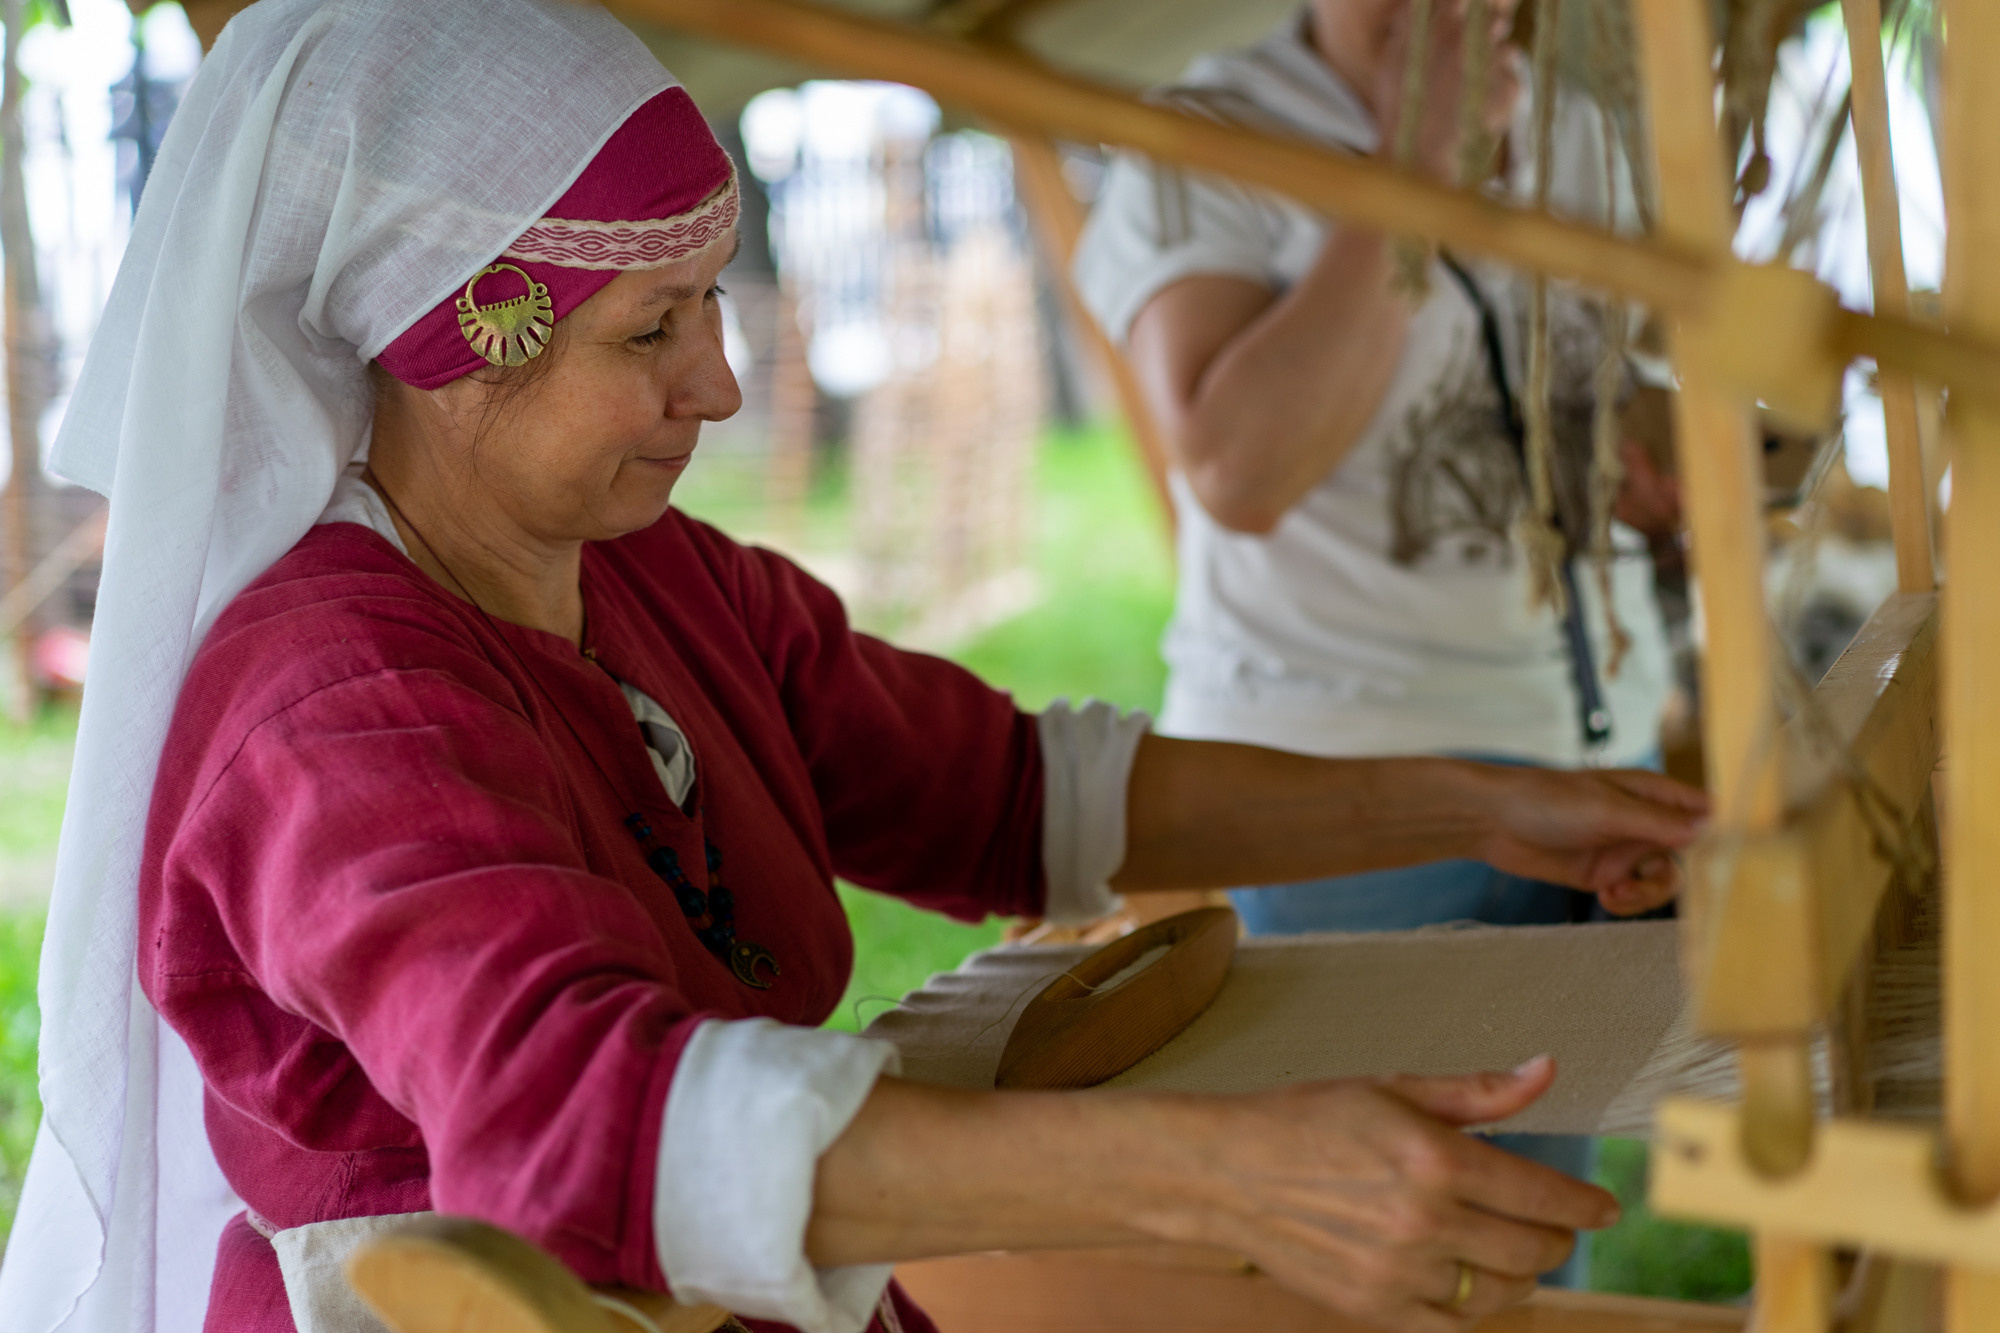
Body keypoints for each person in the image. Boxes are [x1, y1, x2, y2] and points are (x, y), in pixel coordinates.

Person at [0, 4, 1706, 1333]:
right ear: (454, 354)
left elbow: (1013, 790)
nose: (721, 384)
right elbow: (587, 1120)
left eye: (708, 306)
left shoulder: (650, 575)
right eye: (649, 333)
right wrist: (1231, 1172)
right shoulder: (334, 712)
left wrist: (1489, 797)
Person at [1071, 0, 1679, 1283]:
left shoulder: (1575, 124)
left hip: (1582, 764)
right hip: (1349, 795)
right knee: (1408, 1258)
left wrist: (1647, 452)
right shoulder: (1213, 136)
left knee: (1525, 1234)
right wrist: (1419, 170)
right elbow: (1238, 467)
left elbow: (1592, 384)